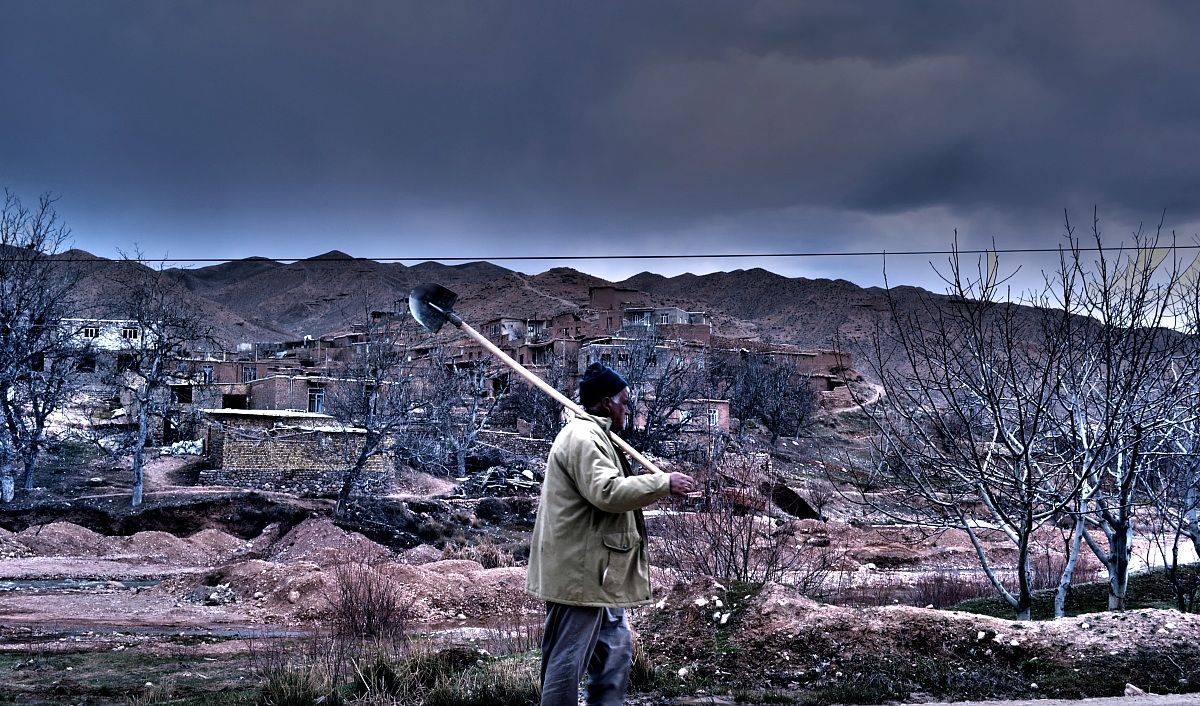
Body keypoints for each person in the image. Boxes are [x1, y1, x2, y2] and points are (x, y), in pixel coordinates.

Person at [526, 362, 697, 706]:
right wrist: (662, 483)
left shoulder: (598, 435)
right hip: (578, 574)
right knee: (567, 662)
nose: (627, 410)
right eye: (624, 402)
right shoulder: (583, 438)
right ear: (606, 403)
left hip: (600, 574)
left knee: (616, 652)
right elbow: (607, 492)